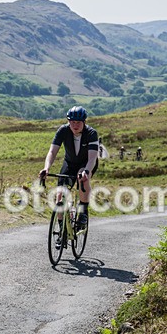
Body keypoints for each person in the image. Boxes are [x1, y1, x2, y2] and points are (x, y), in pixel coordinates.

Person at [39, 105, 99, 248]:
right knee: (60, 196)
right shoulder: (63, 130)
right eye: (72, 122)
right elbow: (52, 152)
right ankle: (62, 231)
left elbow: (92, 159)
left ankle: (83, 212)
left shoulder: (91, 133)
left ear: (84, 122)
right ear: (68, 121)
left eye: (78, 122)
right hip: (70, 163)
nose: (75, 125)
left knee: (83, 182)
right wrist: (46, 168)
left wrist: (86, 171)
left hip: (87, 163)